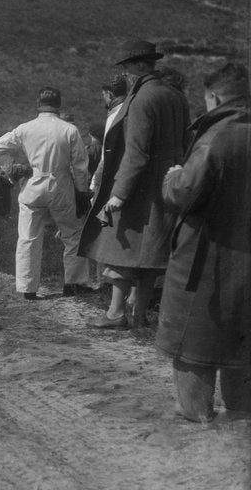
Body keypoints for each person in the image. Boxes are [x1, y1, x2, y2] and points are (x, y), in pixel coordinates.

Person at [156, 62, 251, 422]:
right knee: (241, 335)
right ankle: (241, 411)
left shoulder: (216, 137)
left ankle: (194, 410)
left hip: (206, 252)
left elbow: (185, 192)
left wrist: (172, 179)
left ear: (213, 96)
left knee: (193, 334)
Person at [80, 40, 190, 328]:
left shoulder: (142, 98)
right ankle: (139, 312)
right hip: (170, 181)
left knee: (121, 244)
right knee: (153, 248)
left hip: (142, 184)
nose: (126, 75)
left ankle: (116, 313)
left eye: (128, 69)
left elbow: (137, 152)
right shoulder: (176, 96)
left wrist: (118, 194)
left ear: (141, 66)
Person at [0, 87, 90, 299]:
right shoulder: (69, 130)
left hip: (33, 185)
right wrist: (81, 192)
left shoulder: (25, 128)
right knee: (73, 235)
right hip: (60, 186)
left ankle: (27, 288)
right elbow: (80, 166)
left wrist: (13, 167)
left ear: (38, 103)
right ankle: (73, 283)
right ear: (59, 104)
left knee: (28, 237)